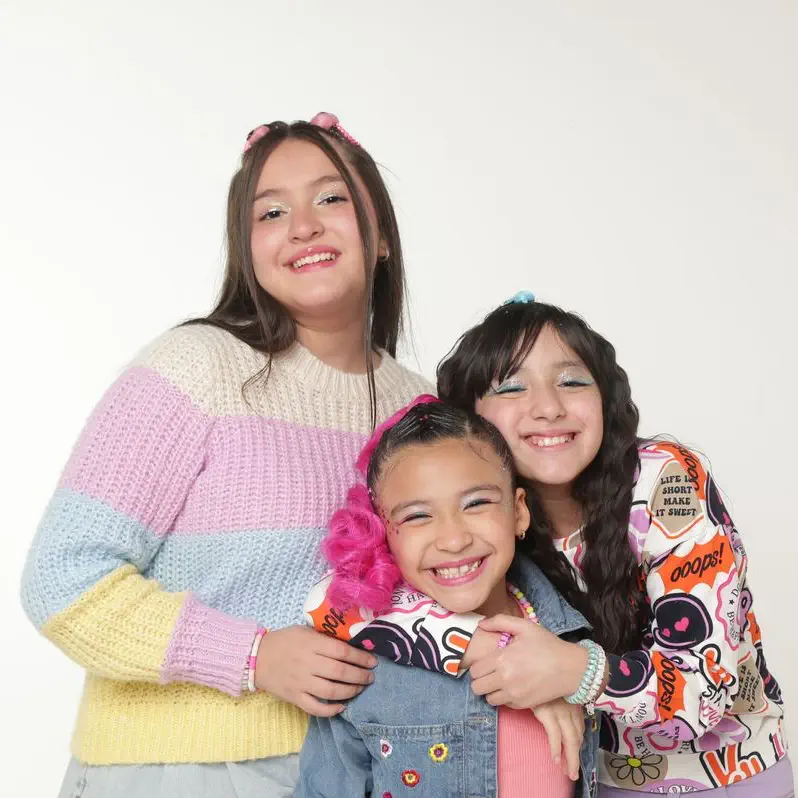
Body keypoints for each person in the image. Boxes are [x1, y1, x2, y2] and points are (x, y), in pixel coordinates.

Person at [20, 112, 431, 798]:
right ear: (248, 249)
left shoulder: (422, 407)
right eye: (271, 212)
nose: (303, 227)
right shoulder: (196, 369)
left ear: (381, 234)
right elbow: (64, 581)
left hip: (357, 768)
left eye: (331, 198)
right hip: (175, 770)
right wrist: (253, 656)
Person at [311, 292, 792, 796]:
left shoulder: (662, 480)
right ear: (471, 419)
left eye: (571, 381)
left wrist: (571, 672)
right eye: (511, 387)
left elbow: (705, 693)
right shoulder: (483, 515)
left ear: (604, 397)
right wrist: (490, 647)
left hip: (727, 775)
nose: (547, 407)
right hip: (597, 776)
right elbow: (334, 601)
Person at [297, 399, 600, 798]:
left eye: (476, 504)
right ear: (382, 534)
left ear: (519, 512)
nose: (454, 540)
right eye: (417, 516)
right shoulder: (364, 669)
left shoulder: (570, 638)